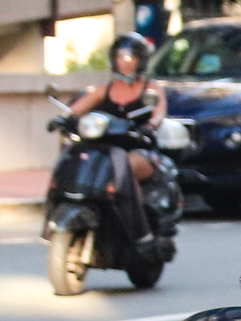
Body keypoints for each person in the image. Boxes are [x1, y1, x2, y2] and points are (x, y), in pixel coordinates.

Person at [68, 34, 175, 233]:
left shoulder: (150, 89)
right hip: (105, 149)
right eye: (119, 57)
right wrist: (63, 118)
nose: (124, 62)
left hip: (138, 148)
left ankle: (138, 227)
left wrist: (152, 124)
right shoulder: (104, 89)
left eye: (129, 57)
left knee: (124, 167)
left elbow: (159, 112)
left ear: (140, 60)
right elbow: (75, 109)